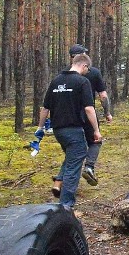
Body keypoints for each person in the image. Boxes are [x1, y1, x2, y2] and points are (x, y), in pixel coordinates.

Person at [36, 53, 102, 210]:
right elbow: (89, 108)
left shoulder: (56, 81)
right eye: (88, 69)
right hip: (73, 129)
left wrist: (40, 128)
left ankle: (59, 186)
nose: (88, 71)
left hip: (59, 131)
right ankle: (66, 205)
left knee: (72, 158)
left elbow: (45, 108)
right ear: (84, 66)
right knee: (74, 165)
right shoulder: (82, 82)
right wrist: (96, 130)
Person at [68, 44, 112, 186]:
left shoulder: (64, 74)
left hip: (68, 117)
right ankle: (89, 167)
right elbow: (103, 96)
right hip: (87, 114)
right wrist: (107, 113)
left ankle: (66, 180)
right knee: (95, 141)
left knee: (73, 147)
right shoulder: (93, 72)